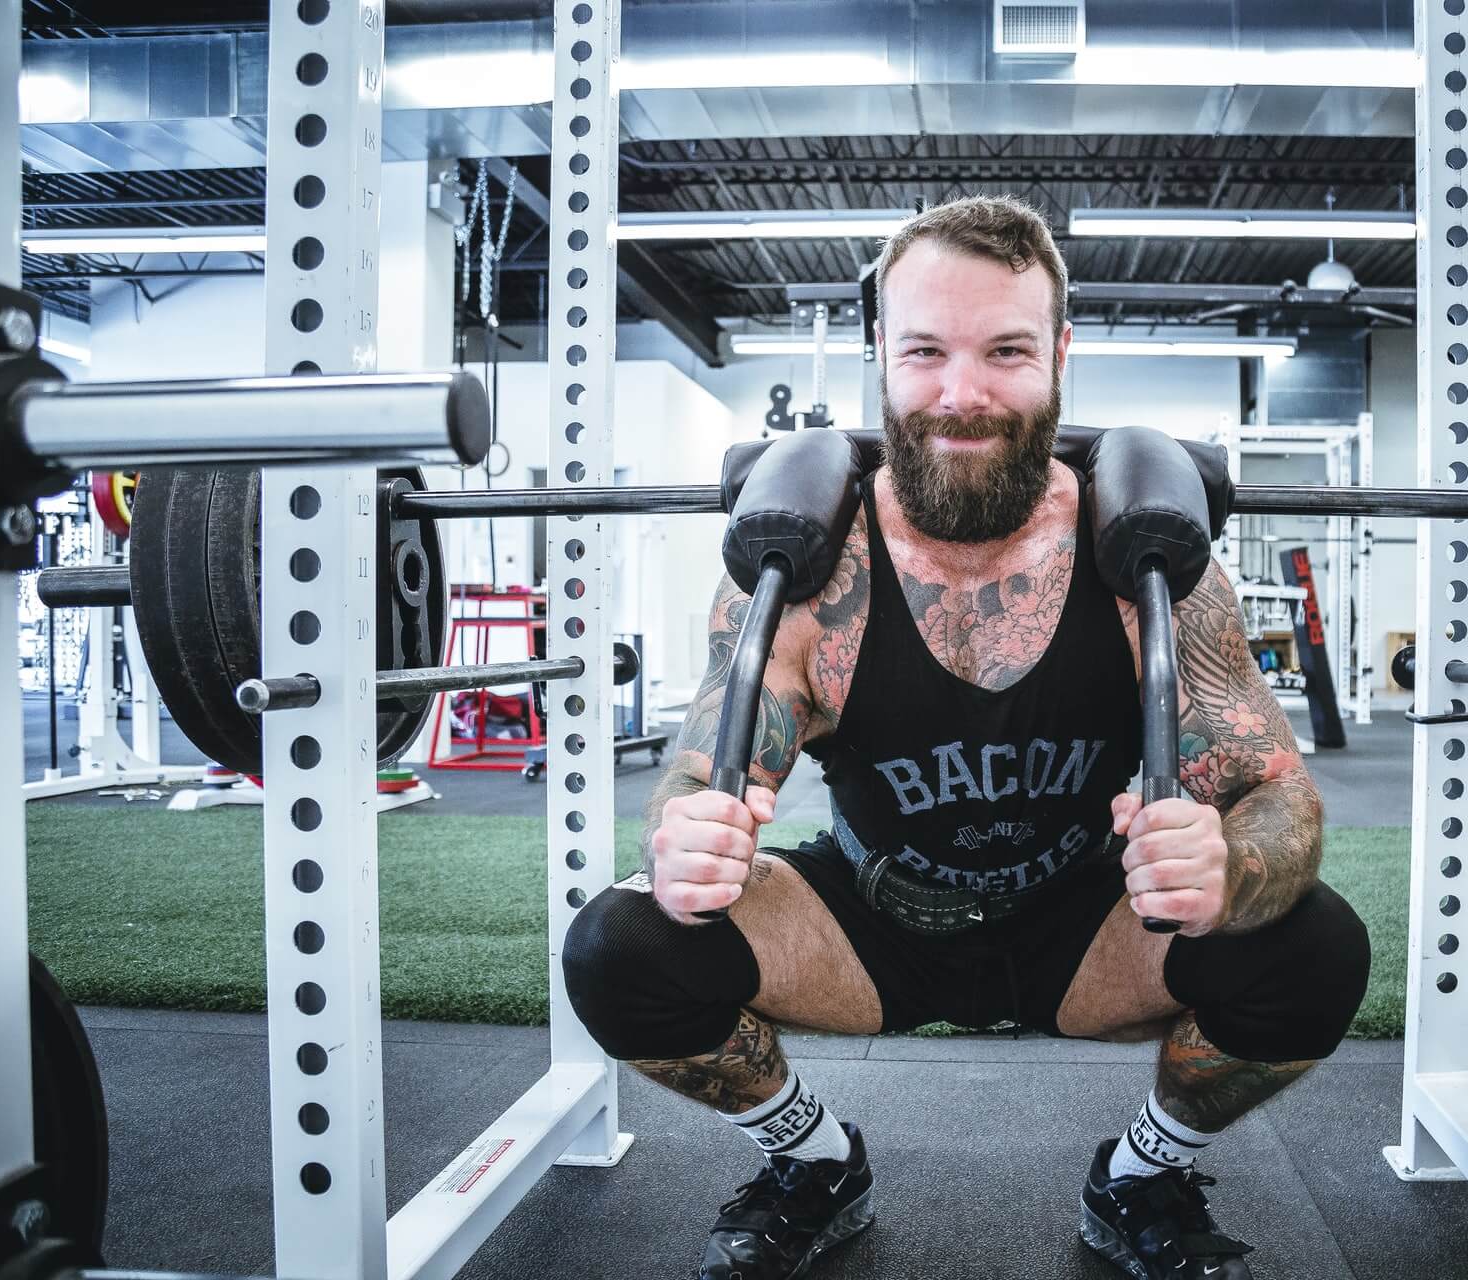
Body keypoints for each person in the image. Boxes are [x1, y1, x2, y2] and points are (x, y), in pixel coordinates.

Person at [562, 195, 1371, 1280]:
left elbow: (1282, 791)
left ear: (1060, 355)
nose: (963, 392)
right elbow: (703, 771)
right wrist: (683, 835)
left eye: (1005, 350)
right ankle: (814, 1159)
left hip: (1084, 925)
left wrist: (1230, 860)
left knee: (1313, 941)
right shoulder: (804, 578)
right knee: (622, 946)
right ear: (879, 356)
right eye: (925, 351)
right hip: (865, 921)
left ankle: (1141, 1174)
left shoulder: (1149, 569)